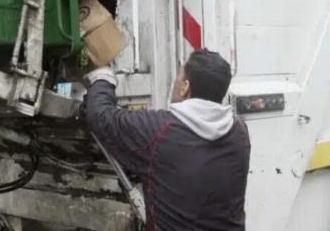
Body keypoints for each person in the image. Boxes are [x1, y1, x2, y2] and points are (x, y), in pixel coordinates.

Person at [84, 49, 250, 231]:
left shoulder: (160, 131)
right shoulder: (239, 133)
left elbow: (101, 116)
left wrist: (103, 76)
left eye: (178, 77)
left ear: (185, 87)